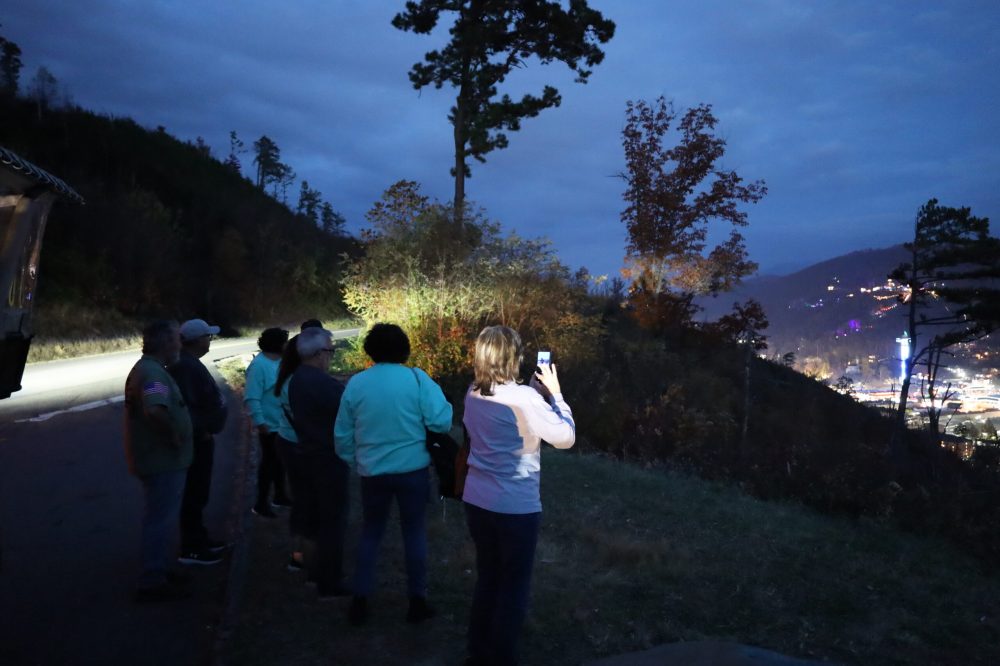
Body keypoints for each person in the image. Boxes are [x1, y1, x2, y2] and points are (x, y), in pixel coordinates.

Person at [461, 326, 575, 666]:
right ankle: (502, 657)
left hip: (477, 500)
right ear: (515, 357)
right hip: (515, 507)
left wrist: (533, 393)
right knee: (513, 586)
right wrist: (556, 395)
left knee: (489, 578)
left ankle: (478, 652)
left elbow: (507, 407)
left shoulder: (473, 392)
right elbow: (565, 437)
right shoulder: (526, 400)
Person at [335, 323, 453, 626]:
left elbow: (343, 434)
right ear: (404, 348)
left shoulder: (357, 384)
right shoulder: (416, 379)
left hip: (372, 472)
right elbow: (440, 422)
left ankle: (360, 600)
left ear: (370, 349)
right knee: (413, 533)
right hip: (412, 470)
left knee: (371, 532)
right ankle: (417, 601)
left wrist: (356, 460)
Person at [123, 319, 194, 602]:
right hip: (161, 459)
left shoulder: (150, 370)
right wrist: (174, 435)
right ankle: (152, 578)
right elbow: (155, 411)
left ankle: (161, 568)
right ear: (165, 343)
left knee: (161, 516)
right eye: (177, 339)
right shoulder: (153, 375)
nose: (180, 344)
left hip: (158, 458)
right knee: (160, 519)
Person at [286, 326, 351, 599]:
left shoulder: (299, 378)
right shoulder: (318, 382)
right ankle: (329, 581)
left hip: (309, 455)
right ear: (317, 353)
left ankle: (314, 573)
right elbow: (347, 408)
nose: (332, 356)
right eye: (330, 351)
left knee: (314, 519)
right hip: (326, 458)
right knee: (332, 521)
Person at [169, 318, 229, 565]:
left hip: (202, 437)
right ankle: (192, 547)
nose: (210, 341)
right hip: (197, 440)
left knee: (199, 492)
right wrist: (200, 430)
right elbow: (185, 405)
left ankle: (199, 539)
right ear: (197, 341)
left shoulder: (189, 363)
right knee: (195, 492)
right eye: (208, 337)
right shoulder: (185, 366)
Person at [244, 327, 291, 518]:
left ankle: (279, 496)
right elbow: (252, 397)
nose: (288, 345)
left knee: (280, 462)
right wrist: (259, 422)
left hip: (281, 423)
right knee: (268, 464)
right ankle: (260, 503)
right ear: (278, 344)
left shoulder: (281, 362)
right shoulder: (259, 366)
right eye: (285, 341)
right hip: (269, 425)